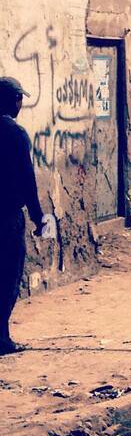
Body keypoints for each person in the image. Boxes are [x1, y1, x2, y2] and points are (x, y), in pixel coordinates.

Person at [0, 76, 45, 355]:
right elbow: (28, 180)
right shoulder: (15, 134)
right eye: (20, 99)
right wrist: (39, 217)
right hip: (7, 217)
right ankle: (2, 339)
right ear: (14, 100)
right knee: (7, 276)